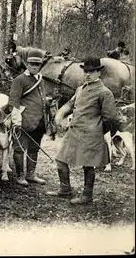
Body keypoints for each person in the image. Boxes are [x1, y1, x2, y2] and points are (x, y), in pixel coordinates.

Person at [47, 57, 121, 204]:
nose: (88, 74)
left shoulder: (105, 92)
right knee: (61, 160)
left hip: (91, 134)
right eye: (86, 71)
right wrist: (59, 115)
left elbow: (111, 118)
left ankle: (87, 196)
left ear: (99, 73)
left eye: (92, 71)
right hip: (74, 132)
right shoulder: (80, 89)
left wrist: (99, 130)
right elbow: (70, 103)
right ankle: (65, 189)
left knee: (88, 165)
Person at [9, 49, 49, 186]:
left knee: (34, 148)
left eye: (37, 65)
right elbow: (13, 102)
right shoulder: (19, 80)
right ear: (27, 64)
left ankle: (31, 174)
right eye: (31, 64)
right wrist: (16, 121)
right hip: (23, 121)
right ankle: (20, 176)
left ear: (40, 66)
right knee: (19, 149)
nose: (34, 67)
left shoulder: (41, 80)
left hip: (38, 122)